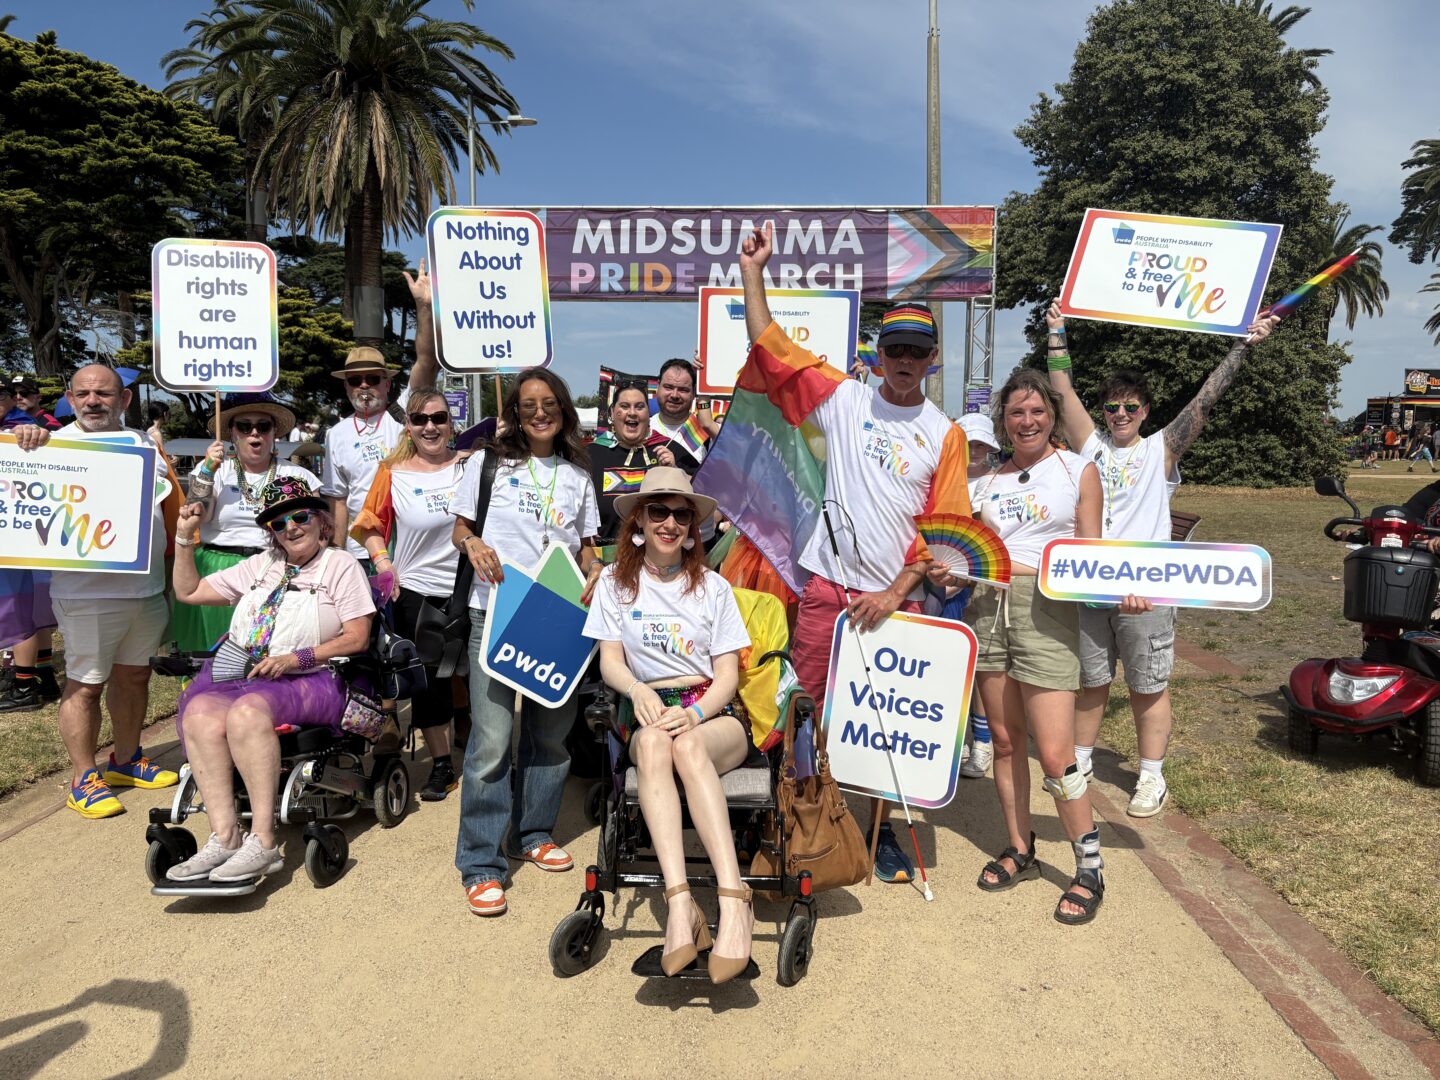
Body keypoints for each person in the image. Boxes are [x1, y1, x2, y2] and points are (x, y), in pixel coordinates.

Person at [738, 222, 971, 884]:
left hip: (896, 606)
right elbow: (771, 347)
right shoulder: (843, 399)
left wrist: (897, 591)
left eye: (916, 351)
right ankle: (799, 821)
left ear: (933, 361)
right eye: (894, 347)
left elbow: (946, 530)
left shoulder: (944, 433)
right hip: (827, 595)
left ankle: (877, 830)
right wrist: (754, 273)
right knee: (802, 712)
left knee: (881, 727)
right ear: (876, 352)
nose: (904, 360)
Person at [1046, 301, 1279, 816]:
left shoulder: (1161, 450)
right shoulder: (1090, 446)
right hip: (1093, 584)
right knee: (1091, 680)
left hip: (1148, 588)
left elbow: (1206, 399)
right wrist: (1058, 331)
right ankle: (1081, 760)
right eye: (1112, 407)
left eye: (1131, 407)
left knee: (1147, 685)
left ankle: (1151, 777)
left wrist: (1242, 346)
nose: (1121, 415)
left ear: (1145, 412)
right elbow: (1061, 392)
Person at [584, 468, 754, 981]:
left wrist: (697, 713)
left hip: (712, 711)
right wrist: (636, 689)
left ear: (693, 526)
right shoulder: (616, 585)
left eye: (682, 514)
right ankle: (681, 905)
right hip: (650, 707)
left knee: (684, 746)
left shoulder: (714, 588)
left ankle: (732, 897)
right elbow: (609, 662)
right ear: (639, 519)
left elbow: (728, 675)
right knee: (657, 745)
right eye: (659, 510)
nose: (671, 522)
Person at [164, 477, 376, 881]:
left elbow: (358, 636)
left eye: (300, 517)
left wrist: (297, 658)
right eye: (279, 523)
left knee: (245, 713)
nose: (291, 527)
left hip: (312, 678)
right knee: (199, 714)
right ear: (271, 533)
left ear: (321, 522)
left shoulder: (340, 564)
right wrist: (185, 538)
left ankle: (262, 841)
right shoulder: (262, 565)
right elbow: (188, 591)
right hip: (247, 674)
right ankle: (225, 836)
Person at [970, 369, 1121, 924]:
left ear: (1052, 415)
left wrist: (1122, 590)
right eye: (1016, 413)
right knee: (1006, 743)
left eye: (1036, 411)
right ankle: (1020, 847)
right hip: (989, 606)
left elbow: (1093, 552)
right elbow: (970, 551)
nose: (1026, 421)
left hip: (1047, 610)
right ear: (1003, 421)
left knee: (1056, 754)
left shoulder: (1079, 470)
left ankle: (1089, 868)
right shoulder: (986, 483)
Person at [450, 368, 602, 917]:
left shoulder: (579, 474)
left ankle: (533, 832)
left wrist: (596, 569)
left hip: (559, 618)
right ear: (514, 411)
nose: (540, 413)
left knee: (550, 737)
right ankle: (481, 864)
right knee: (491, 743)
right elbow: (460, 527)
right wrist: (473, 546)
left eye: (550, 405)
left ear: (563, 410)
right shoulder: (487, 463)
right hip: (496, 613)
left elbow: (586, 547)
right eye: (529, 405)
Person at [12, 365, 181, 817]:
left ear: (123, 400)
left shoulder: (145, 444)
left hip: (145, 590)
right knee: (85, 686)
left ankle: (125, 759)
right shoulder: (49, 443)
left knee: (134, 677)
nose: (92, 401)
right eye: (83, 393)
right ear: (69, 397)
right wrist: (24, 434)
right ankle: (83, 777)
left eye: (103, 394)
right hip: (85, 593)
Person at [351, 387, 468, 801]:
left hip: (473, 589)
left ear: (452, 423)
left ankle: (486, 753)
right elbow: (367, 524)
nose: (430, 427)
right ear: (409, 426)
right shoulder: (392, 471)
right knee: (430, 683)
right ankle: (441, 765)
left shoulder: (472, 466)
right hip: (417, 593)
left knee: (477, 678)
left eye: (438, 418)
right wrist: (383, 562)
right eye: (420, 420)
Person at [173, 393, 319, 653]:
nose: (255, 433)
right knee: (215, 656)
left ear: (274, 433)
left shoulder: (297, 475)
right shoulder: (214, 471)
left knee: (268, 651)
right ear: (231, 433)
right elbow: (198, 513)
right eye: (245, 426)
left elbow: (319, 530)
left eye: (263, 426)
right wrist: (207, 469)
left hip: (276, 567)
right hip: (218, 568)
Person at [322, 262, 438, 561]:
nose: (364, 385)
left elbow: (426, 362)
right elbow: (338, 500)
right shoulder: (336, 435)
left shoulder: (406, 413)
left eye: (372, 379)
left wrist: (423, 307)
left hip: (409, 549)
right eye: (355, 380)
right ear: (346, 387)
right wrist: (336, 555)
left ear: (387, 384)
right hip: (359, 553)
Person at [0, 389, 58, 713]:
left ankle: (25, 685)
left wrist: (31, 431)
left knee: (17, 611)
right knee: (31, 610)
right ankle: (43, 675)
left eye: (2, 394)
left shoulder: (23, 428)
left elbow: (49, 444)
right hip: (22, 533)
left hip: (22, 534)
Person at [955, 411, 1002, 780]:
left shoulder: (999, 482)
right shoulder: (945, 476)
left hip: (982, 585)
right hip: (946, 584)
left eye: (982, 443)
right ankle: (957, 740)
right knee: (953, 665)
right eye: (969, 442)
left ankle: (983, 743)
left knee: (982, 667)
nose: (976, 449)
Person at [589, 378, 675, 548]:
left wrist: (674, 473)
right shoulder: (590, 455)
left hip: (655, 560)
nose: (632, 413)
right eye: (625, 406)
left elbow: (692, 504)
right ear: (612, 413)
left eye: (640, 406)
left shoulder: (668, 450)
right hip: (604, 562)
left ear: (648, 414)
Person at [649, 358, 719, 473]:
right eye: (668, 387)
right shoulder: (642, 430)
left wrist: (704, 379)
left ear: (693, 393)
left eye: (683, 390)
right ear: (658, 387)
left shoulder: (708, 433)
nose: (674, 395)